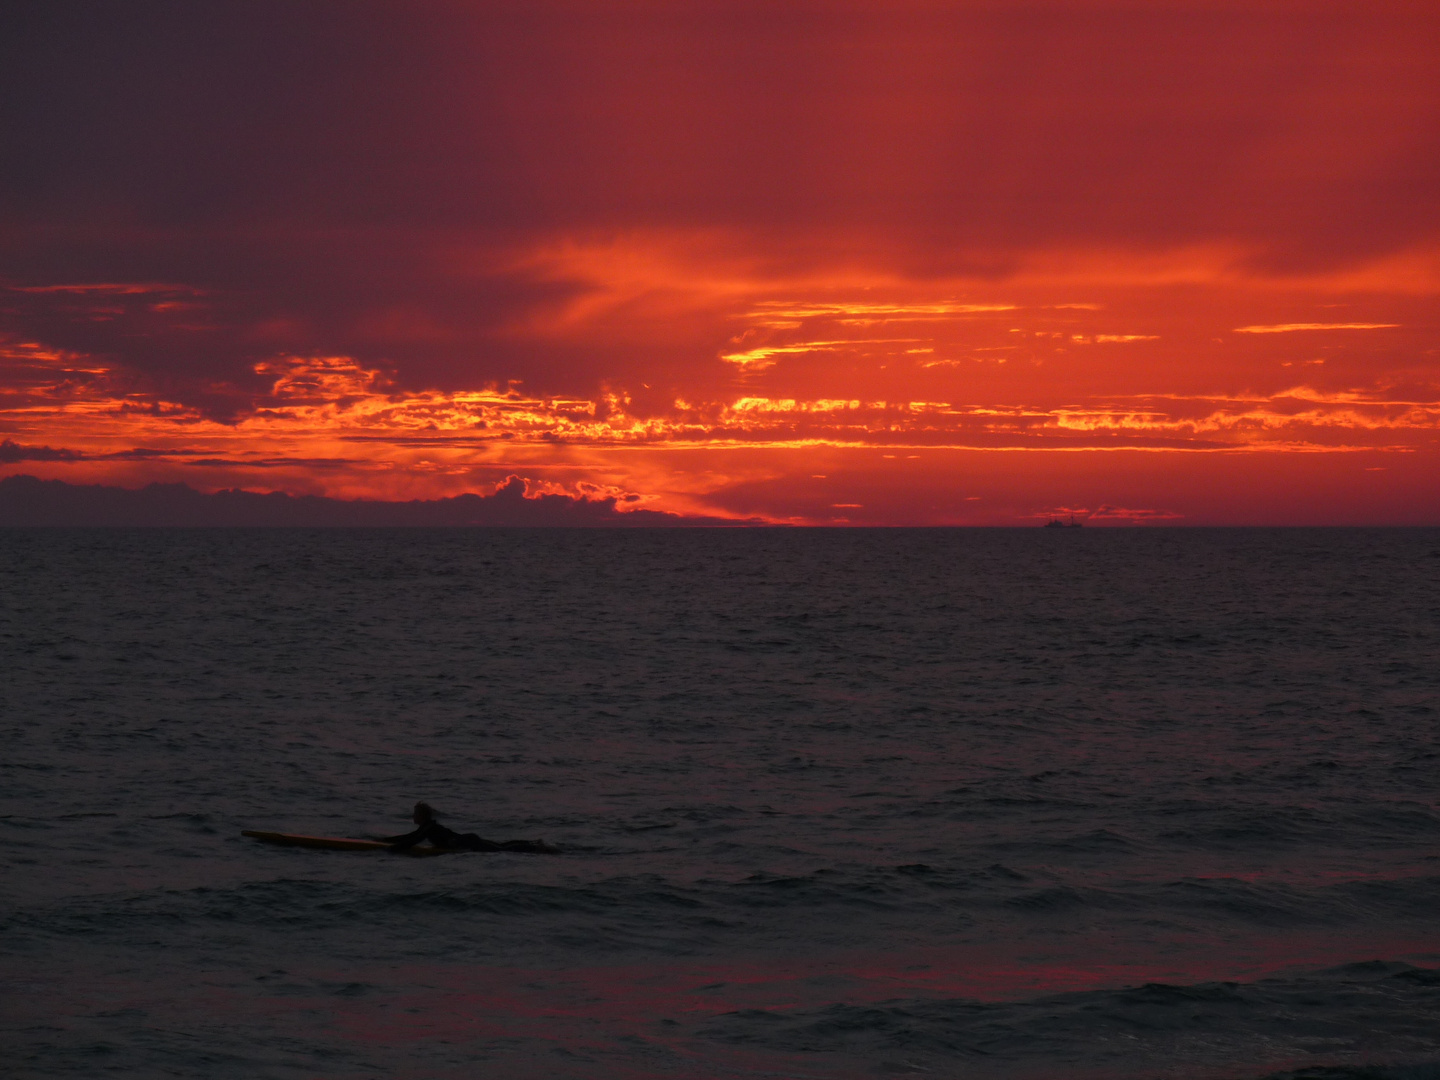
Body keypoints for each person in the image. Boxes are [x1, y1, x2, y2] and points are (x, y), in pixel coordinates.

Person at [381, 802, 558, 854]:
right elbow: (408, 837)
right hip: (468, 840)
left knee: (502, 849)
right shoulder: (427, 828)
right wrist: (381, 841)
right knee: (502, 846)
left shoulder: (427, 829)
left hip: (469, 842)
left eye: (415, 814)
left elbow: (410, 841)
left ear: (422, 817)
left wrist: (389, 850)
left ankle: (536, 848)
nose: (413, 817)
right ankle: (533, 843)